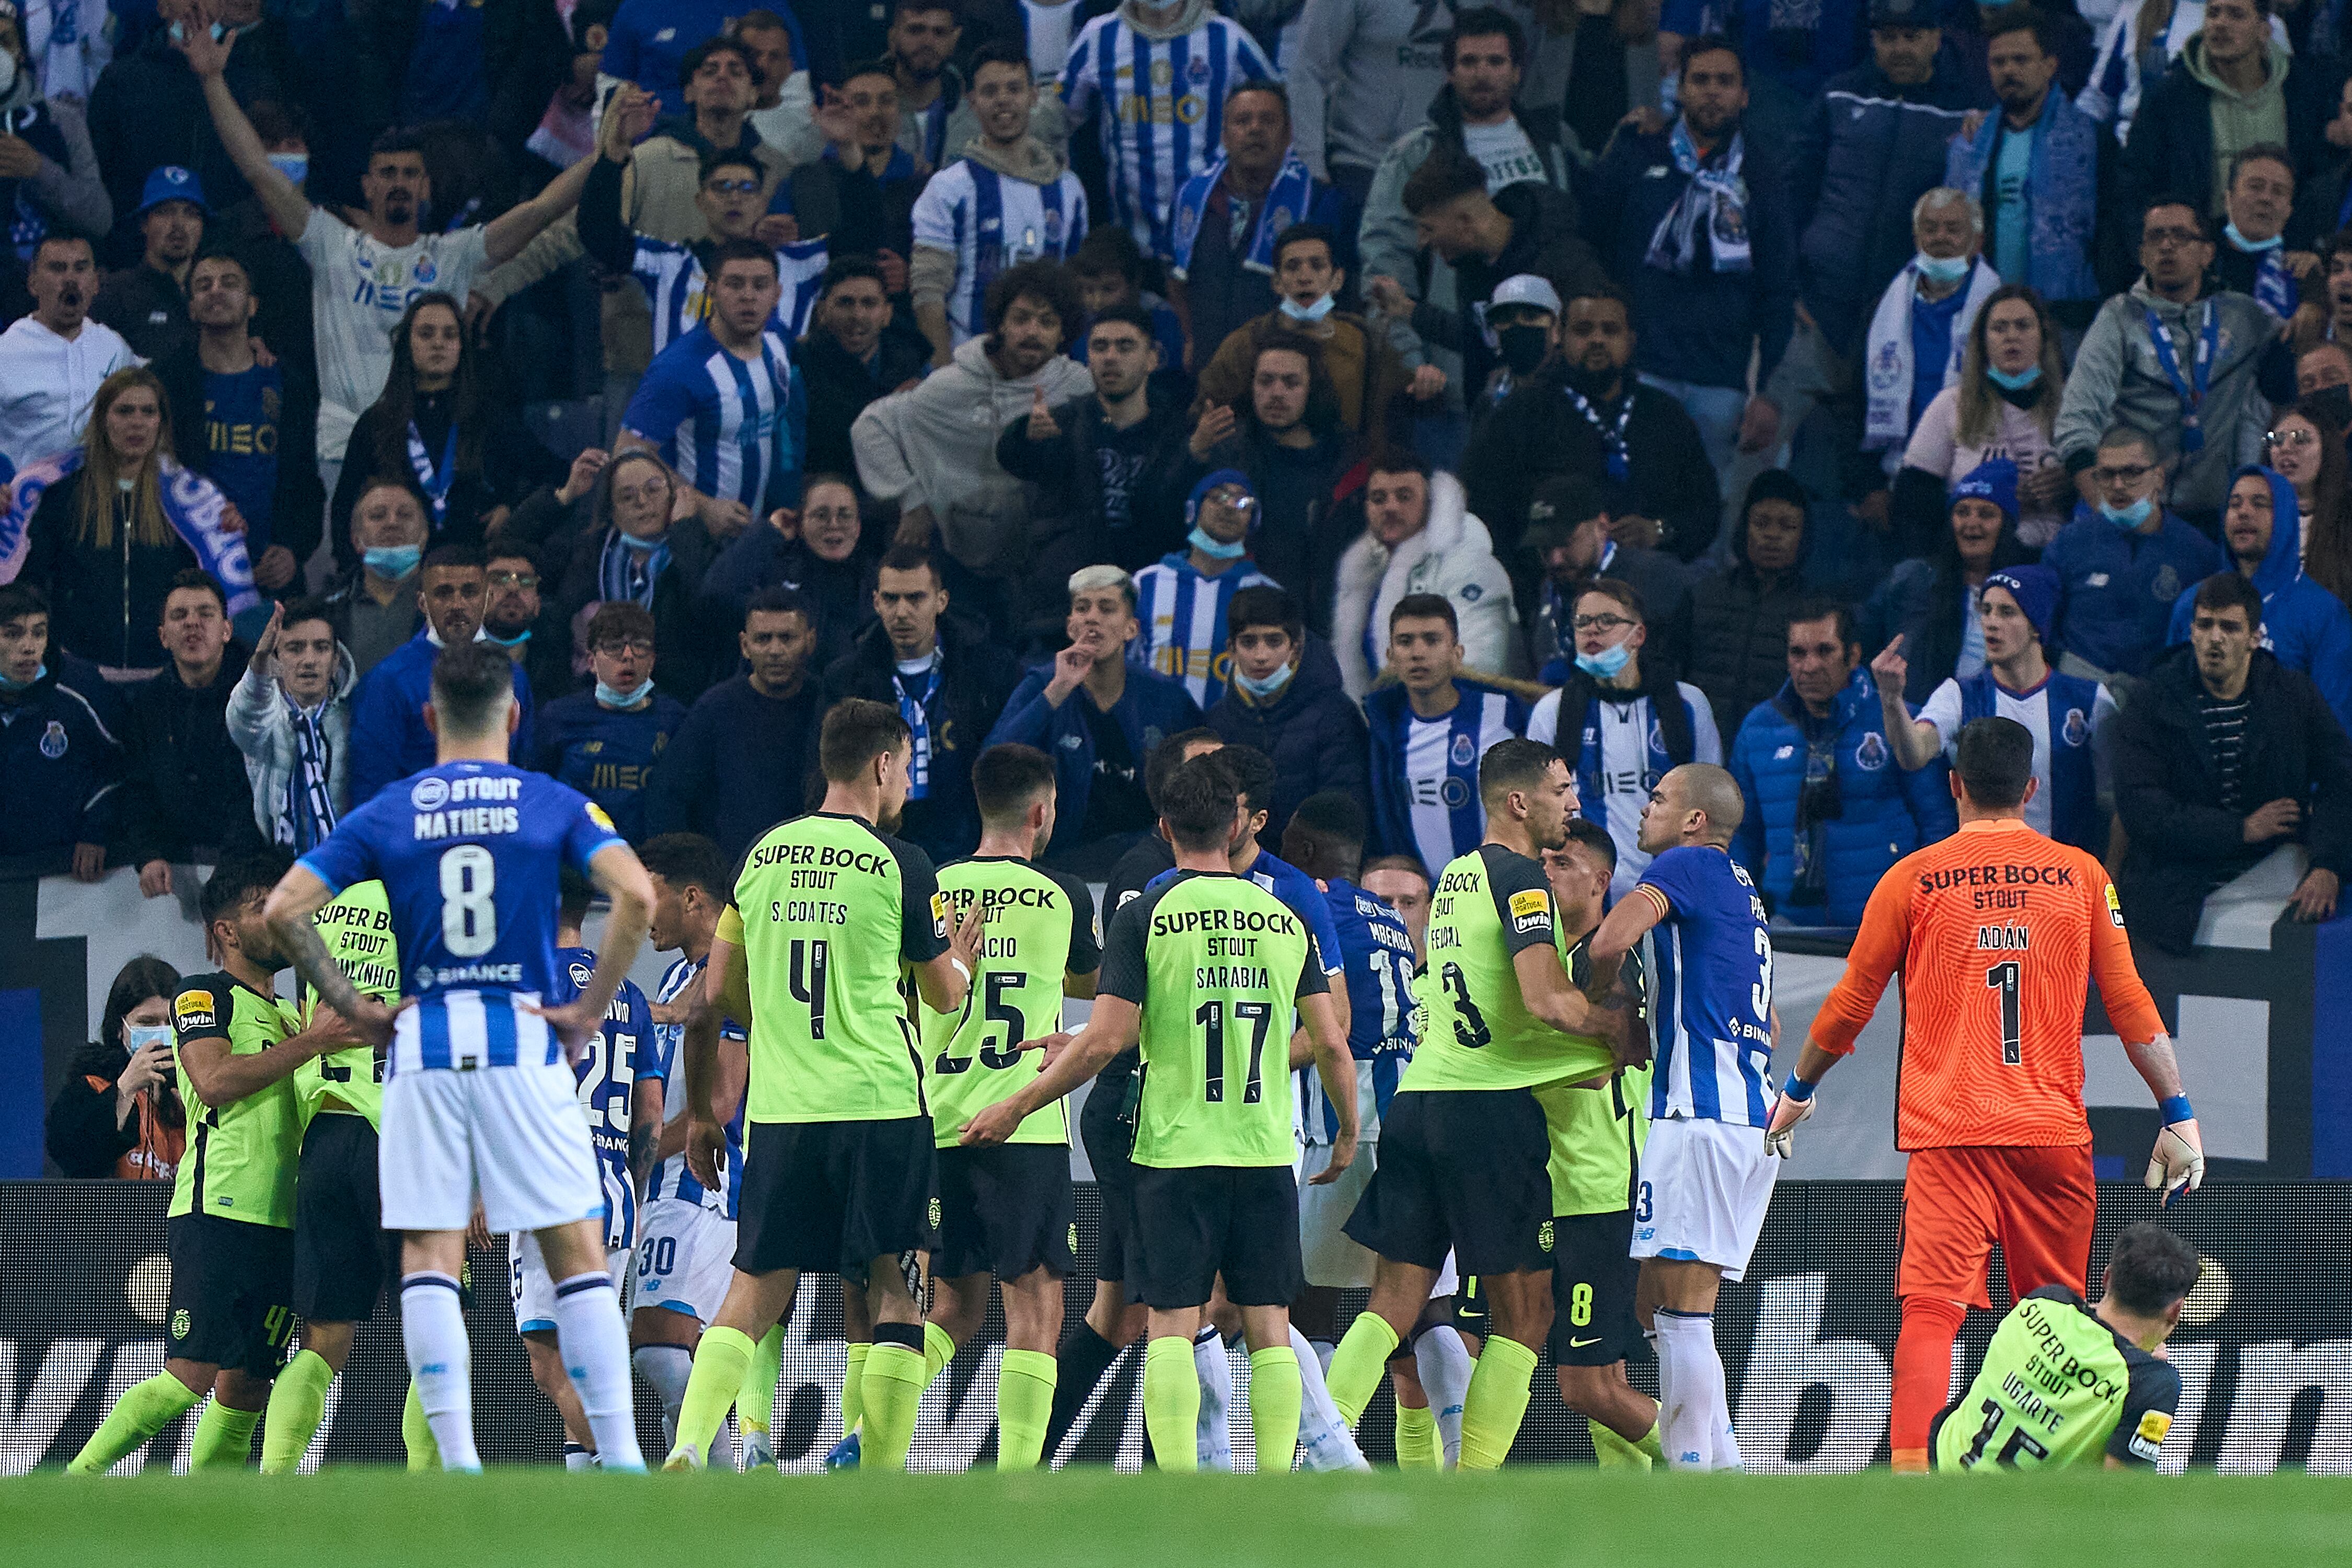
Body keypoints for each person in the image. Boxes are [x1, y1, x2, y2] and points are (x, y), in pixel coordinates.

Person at [261, 640, 658, 1474]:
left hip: (426, 1042)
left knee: (429, 1256)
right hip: (520, 1037)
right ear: (515, 718)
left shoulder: (388, 810)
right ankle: (623, 1460)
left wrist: (357, 1010)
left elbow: (286, 909)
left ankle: (458, 1462)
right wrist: (587, 1010)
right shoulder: (548, 801)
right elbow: (637, 895)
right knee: (574, 1251)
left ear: (429, 717)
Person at [1768, 715, 2201, 1473]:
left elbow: (1851, 1003)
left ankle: (1911, 1484)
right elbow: (2130, 1001)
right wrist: (2179, 1113)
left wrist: (1800, 1088)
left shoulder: (1912, 878)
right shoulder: (2082, 874)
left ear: (1954, 786)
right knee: (2059, 1326)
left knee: (1932, 1315)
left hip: (1951, 1134)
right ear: (2031, 790)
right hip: (2051, 1137)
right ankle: (2057, 1479)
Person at [962, 750, 1355, 1474]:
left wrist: (1019, 1103)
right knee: (1269, 1325)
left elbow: (1111, 1036)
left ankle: (1176, 1483)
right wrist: (1348, 1130)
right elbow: (1332, 1039)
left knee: (1171, 1323)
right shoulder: (1283, 916)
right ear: (1235, 822)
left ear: (1166, 827)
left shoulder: (1148, 913)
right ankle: (1272, 1483)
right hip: (1265, 1147)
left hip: (1173, 1148)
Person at [658, 698, 981, 1472]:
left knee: (754, 1290)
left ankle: (692, 1445)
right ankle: (879, 1476)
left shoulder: (761, 856)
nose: (904, 783)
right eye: (903, 767)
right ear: (881, 765)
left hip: (784, 1110)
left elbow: (719, 990)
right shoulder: (902, 864)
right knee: (899, 1292)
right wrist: (962, 962)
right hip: (880, 1107)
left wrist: (729, 1082)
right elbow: (940, 995)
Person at [1322, 738, 1630, 1468]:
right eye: (1561, 791)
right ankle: (1473, 1485)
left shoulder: (1456, 875)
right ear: (1520, 802)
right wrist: (1618, 1031)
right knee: (1526, 1316)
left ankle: (1318, 1444)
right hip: (1486, 1115)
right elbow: (1546, 999)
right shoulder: (1523, 879)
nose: (1572, 804)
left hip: (1420, 1103)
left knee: (1392, 1305)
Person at [179, 22, 599, 506]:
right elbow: (257, 167)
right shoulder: (330, 243)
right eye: (387, 173)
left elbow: (542, 210)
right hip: (340, 449)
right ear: (367, 186)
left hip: (430, 448)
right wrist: (213, 80)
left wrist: (605, 155)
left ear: (426, 187)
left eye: (410, 174)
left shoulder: (453, 255)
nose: (399, 183)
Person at [66, 850, 347, 1476]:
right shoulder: (202, 994)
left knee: (247, 1387)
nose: (281, 919)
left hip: (283, 1223)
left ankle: (209, 1521)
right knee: (190, 1374)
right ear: (226, 931)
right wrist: (313, 1043)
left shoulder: (293, 1013)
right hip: (217, 1211)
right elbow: (215, 1081)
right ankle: (74, 1485)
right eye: (261, 908)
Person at [889, 743, 1099, 1470]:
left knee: (953, 1308)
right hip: (1024, 1126)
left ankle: (869, 1431)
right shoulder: (1064, 894)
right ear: (1042, 812)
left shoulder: (933, 887)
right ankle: (1019, 1484)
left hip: (940, 1123)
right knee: (1035, 1314)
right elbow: (1096, 983)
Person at [1569, 764, 1767, 1469]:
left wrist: (1602, 1004)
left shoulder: (1687, 865)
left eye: (1656, 800)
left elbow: (1606, 942)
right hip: (1745, 1116)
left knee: (1683, 1316)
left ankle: (1692, 1484)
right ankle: (1727, 1466)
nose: (1642, 810)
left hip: (1700, 1116)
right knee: (1658, 1306)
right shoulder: (1745, 890)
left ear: (1692, 821)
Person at [1357, 8, 1582, 446]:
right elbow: (1385, 259)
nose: (1483, 73)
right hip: (1450, 381)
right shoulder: (1415, 153)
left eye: (1496, 62)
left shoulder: (1557, 146)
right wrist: (1411, 358)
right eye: (1470, 62)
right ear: (1449, 72)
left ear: (1518, 71)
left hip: (1549, 383)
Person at [1585, 36, 1797, 495]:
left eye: (1725, 82)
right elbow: (1594, 249)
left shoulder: (1763, 175)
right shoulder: (1638, 152)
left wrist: (1768, 394)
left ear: (1744, 95)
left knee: (1702, 517)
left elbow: (1778, 289)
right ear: (1679, 89)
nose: (1712, 92)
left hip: (1721, 380)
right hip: (1640, 369)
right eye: (1700, 80)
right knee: (1627, 503)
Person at [251, 875, 410, 1474]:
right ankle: (430, 1494)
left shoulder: (325, 913)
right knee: (434, 1323)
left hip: (323, 1137)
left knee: (324, 1339)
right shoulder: (424, 903)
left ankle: (276, 1479)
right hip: (397, 1137)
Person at [2115, 571, 2352, 950]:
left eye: (2229, 627)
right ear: (2190, 631)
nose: (2215, 638)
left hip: (2274, 876)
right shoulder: (2152, 701)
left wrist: (2329, 865)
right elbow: (2141, 807)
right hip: (2173, 889)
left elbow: (2342, 779)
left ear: (2255, 638)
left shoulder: (2293, 697)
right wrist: (2240, 829)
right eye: (2205, 625)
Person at [510, 871, 660, 1470]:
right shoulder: (623, 990)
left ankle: (625, 1474)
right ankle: (592, 1504)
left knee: (549, 1361)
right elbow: (648, 1114)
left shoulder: (526, 982)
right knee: (589, 1357)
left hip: (550, 1190)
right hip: (615, 1193)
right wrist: (634, 1194)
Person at [1531, 818, 1667, 1468]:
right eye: (1544, 861)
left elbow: (1600, 1065)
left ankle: (1716, 1465)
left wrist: (1497, 1064)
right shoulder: (1544, 963)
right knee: (1599, 1378)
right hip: (1556, 1182)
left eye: (1563, 862)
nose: (1548, 870)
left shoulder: (1616, 961)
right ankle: (1630, 1517)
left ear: (1601, 880)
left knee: (1586, 1384)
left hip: (1601, 1186)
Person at [853, 259, 1093, 626]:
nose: (1033, 331)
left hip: (1039, 565)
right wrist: (911, 498)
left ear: (1064, 333)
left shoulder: (1078, 388)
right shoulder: (951, 385)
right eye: (1022, 318)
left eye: (1047, 322)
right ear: (999, 324)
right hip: (955, 561)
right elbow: (871, 426)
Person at [627, 832, 760, 1467]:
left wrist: (640, 1154)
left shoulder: (727, 973)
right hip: (668, 1187)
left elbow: (727, 1100)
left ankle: (727, 1494)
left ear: (691, 896)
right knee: (676, 1360)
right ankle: (706, 1517)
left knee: (659, 1347)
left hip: (699, 1187)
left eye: (649, 895)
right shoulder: (682, 974)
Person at [2055, 200, 2294, 529]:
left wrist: (2310, 305)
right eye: (2156, 237)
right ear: (2142, 255)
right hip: (2137, 514)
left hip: (2217, 516)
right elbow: (2075, 423)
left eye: (2180, 236)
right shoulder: (2119, 318)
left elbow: (2299, 350)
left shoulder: (2244, 318)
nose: (2167, 246)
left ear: (2206, 254)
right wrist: (2110, 512)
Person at [1728, 599, 1956, 925]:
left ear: (1853, 655)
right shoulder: (1760, 727)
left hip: (1887, 921)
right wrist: (1740, 912)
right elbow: (1741, 833)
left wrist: (1929, 909)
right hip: (1790, 923)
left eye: (1825, 651)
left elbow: (1938, 823)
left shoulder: (1899, 719)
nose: (1809, 666)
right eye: (1798, 653)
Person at [1463, 285, 1721, 566]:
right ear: (1560, 336)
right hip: (1543, 577)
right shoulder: (1521, 412)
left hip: (1646, 579)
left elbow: (1704, 510)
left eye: (1610, 331)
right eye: (1583, 330)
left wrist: (1659, 531)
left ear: (1631, 340)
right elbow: (1483, 503)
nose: (1597, 340)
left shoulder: (1666, 416)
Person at [1788, 0, 1978, 373]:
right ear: (1873, 40)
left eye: (1913, 37)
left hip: (1905, 308)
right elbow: (1793, 190)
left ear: (1937, 39)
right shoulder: (1837, 96)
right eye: (1889, 38)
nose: (1901, 48)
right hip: (1816, 302)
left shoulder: (1965, 111)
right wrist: (1792, 286)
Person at [1880, 562, 2117, 854]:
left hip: (2067, 878)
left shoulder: (2090, 700)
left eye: (2007, 612)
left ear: (2036, 625)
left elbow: (2118, 798)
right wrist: (1892, 701)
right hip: (1985, 878)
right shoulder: (1960, 695)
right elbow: (1914, 754)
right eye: (1986, 610)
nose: (1991, 622)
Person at [574, 96, 826, 369]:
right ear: (701, 202)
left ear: (763, 202)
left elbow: (861, 241)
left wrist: (849, 151)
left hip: (774, 410)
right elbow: (599, 234)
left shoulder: (799, 265)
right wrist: (613, 156)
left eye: (747, 188)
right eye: (722, 187)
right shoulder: (670, 264)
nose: (735, 198)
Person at [984, 565, 1205, 871]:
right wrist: (1058, 690)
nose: (1092, 617)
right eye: (1082, 608)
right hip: (1061, 861)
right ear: (1070, 625)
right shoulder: (1043, 684)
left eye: (1107, 608)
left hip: (1149, 862)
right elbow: (993, 762)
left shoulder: (1165, 697)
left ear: (1131, 628)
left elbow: (1204, 774)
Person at [1931, 1222, 2201, 1471]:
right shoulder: (2153, 1383)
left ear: (2107, 1278)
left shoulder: (2046, 1302)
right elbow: (2120, 1489)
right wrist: (2146, 1370)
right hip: (2012, 1515)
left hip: (1941, 1465)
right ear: (2176, 1310)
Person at [822, 543, 1025, 862]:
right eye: (891, 599)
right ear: (876, 602)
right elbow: (824, 771)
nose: (902, 612)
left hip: (969, 845)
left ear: (941, 601)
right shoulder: (845, 679)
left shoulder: (989, 670)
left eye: (916, 598)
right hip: (876, 851)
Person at [18, 366, 223, 678]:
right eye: (125, 411)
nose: (137, 422)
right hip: (79, 672)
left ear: (161, 423)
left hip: (165, 674)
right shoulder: (62, 498)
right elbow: (33, 585)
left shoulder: (187, 502)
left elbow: (207, 586)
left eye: (148, 412)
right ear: (104, 420)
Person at [1377, 145, 1605, 421]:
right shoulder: (1471, 265)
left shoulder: (1563, 258)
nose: (1422, 243)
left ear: (1465, 223)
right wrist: (1409, 311)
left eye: (1428, 228)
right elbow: (1481, 339)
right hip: (1495, 429)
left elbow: (1591, 348)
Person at [1530, 579, 1725, 898]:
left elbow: (1713, 805)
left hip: (1672, 891)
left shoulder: (1689, 705)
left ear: (1639, 635)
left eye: (1607, 621)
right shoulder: (1551, 712)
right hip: (1586, 897)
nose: (1592, 631)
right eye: (1582, 622)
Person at [330, 292, 548, 568]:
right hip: (395, 575)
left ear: (461, 346)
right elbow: (344, 510)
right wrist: (359, 576)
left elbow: (552, 474)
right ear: (407, 345)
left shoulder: (490, 417)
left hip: (474, 572)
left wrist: (512, 507)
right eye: (426, 334)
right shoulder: (376, 422)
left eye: (449, 335)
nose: (438, 344)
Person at [153, 250, 322, 599]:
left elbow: (305, 481)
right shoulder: (165, 383)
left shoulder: (291, 383)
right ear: (191, 308)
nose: (216, 291)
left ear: (253, 305)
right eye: (203, 285)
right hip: (190, 575)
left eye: (229, 283)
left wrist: (292, 549)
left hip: (272, 576)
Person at [910, 41, 1089, 361]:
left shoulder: (1069, 190)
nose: (1003, 101)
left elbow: (1075, 288)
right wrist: (943, 369)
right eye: (990, 91)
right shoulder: (949, 187)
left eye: (1014, 89)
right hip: (971, 363)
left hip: (1048, 370)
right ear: (973, 102)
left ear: (1034, 96)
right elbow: (929, 291)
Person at [1057, 0, 1275, 257]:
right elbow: (1057, 116)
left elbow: (1278, 113)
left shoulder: (1227, 38)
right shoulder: (1099, 37)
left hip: (1214, 238)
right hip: (1130, 245)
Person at [621, 240, 807, 536]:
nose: (748, 296)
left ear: (777, 294)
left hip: (759, 531)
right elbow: (628, 452)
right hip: (692, 538)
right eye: (735, 284)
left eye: (760, 285)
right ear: (711, 290)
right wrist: (702, 504)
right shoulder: (678, 369)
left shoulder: (778, 339)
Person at [995, 301, 1195, 575]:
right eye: (1100, 347)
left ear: (1153, 359)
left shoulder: (1179, 432)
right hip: (1070, 589)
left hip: (1154, 582)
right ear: (1088, 358)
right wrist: (1027, 437)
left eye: (1125, 347)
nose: (1110, 357)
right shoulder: (1062, 424)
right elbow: (1015, 459)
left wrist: (1196, 455)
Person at [1180, 333, 1363, 631]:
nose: (1277, 393)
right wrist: (1193, 455)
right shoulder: (1226, 450)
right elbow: (1163, 519)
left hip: (1322, 623)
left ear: (1312, 390)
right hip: (1239, 620)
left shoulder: (1347, 459)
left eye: (1291, 383)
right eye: (1265, 381)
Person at [1165, 82, 1348, 372]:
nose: (1255, 129)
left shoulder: (1318, 202)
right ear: (1224, 135)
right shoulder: (1194, 197)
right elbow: (1175, 277)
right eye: (1242, 121)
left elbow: (1337, 292)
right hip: (1208, 363)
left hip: (1286, 369)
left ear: (1288, 135)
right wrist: (1189, 336)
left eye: (1268, 121)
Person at [2114, 0, 2335, 238]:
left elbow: (2320, 179)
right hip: (2198, 255)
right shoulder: (2168, 99)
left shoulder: (2302, 95)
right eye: (2213, 14)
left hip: (2283, 254)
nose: (2221, 24)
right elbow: (2137, 185)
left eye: (2236, 15)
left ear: (2264, 31)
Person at [1189, 223, 1429, 442]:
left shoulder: (1364, 338)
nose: (1305, 278)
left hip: (1343, 473)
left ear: (1338, 280)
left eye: (1317, 266)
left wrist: (1426, 386)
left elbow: (1398, 400)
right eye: (1292, 268)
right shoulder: (1246, 342)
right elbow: (1206, 415)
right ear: (1277, 283)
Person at [645, 586, 826, 865]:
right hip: (732, 877)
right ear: (744, 645)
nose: (775, 650)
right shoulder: (714, 709)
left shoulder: (828, 707)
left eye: (787, 638)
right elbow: (670, 795)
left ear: (811, 641)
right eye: (763, 639)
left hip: (813, 871)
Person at [2163, 465, 2352, 732]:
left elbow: (2335, 726)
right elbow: (2168, 701)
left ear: (2286, 517)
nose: (2244, 512)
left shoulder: (2323, 613)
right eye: (2234, 504)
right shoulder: (2192, 603)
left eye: (2260, 504)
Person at [345, 545, 535, 808]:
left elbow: (525, 772)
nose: (457, 604)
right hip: (418, 837)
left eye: (469, 592)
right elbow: (372, 791)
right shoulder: (387, 682)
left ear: (488, 599)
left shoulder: (513, 676)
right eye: (444, 593)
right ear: (423, 602)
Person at [1364, 593, 1534, 878]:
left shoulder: (1506, 712)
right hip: (1423, 903)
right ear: (1391, 657)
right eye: (1405, 642)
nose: (1418, 653)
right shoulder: (1383, 726)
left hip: (1498, 892)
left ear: (1457, 653)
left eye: (1432, 640)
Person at [1944, 15, 2099, 322]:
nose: (2009, 70)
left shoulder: (2091, 139)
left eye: (2021, 59)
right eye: (1998, 62)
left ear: (2050, 65)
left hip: (2064, 314)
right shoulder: (1971, 145)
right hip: (1983, 310)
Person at [1896, 283, 2073, 551]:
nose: (2011, 336)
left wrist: (2071, 484)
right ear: (1983, 341)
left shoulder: (2073, 404)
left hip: (2059, 552)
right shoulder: (1951, 404)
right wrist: (1989, 500)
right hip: (1977, 558)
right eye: (1999, 328)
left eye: (2023, 326)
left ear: (2044, 336)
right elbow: (1912, 499)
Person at [2045, 426, 2227, 687]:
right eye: (2107, 475)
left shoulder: (2198, 552)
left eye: (2132, 472)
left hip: (2160, 695)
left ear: (2159, 477)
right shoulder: (2068, 544)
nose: (2118, 485)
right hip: (2078, 691)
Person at [537, 449, 724, 702]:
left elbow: (707, 612)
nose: (642, 502)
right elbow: (511, 550)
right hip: (590, 698)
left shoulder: (698, 548)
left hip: (672, 702)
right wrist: (564, 495)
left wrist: (685, 530)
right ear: (612, 511)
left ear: (674, 497)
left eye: (654, 490)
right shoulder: (587, 552)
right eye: (627, 496)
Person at [1333, 455, 1517, 699]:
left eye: (1404, 496)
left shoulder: (1469, 565)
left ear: (1431, 503)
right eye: (1379, 499)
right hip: (1386, 724)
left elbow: (1480, 666)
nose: (1390, 507)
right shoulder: (1365, 576)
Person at [1857, 190, 2004, 491]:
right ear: (1916, 238)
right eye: (1930, 228)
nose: (1940, 237)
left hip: (1979, 478)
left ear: (1977, 242)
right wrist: (1868, 488)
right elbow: (1853, 400)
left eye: (1953, 229)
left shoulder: (2003, 310)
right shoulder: (1884, 309)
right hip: (1899, 477)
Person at [122, 570, 257, 896]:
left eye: (206, 614)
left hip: (247, 869)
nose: (192, 623)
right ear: (163, 636)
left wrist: (231, 872)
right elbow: (135, 790)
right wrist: (149, 854)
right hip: (172, 873)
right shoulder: (144, 705)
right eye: (179, 616)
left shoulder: (262, 700)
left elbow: (260, 796)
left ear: (227, 630)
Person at [1859, 458, 2036, 706]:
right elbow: (1860, 644)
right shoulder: (1913, 579)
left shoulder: (2030, 591)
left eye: (1986, 514)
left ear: (2006, 525)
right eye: (1962, 512)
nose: (1971, 523)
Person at [1205, 584, 1369, 847]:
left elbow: (1344, 812)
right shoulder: (1217, 721)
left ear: (1296, 648)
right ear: (1231, 649)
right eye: (1249, 642)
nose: (1261, 655)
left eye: (1274, 641)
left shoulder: (1336, 715)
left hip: (1312, 871)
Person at [529, 602, 688, 845]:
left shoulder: (676, 721)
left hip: (651, 859)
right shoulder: (558, 718)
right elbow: (537, 791)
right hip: (577, 858)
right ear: (591, 661)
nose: (628, 656)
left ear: (653, 661)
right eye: (614, 647)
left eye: (640, 647)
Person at [697, 471, 880, 674]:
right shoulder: (775, 571)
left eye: (845, 515)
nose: (834, 524)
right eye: (821, 515)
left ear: (858, 526)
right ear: (800, 524)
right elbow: (717, 593)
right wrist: (769, 532)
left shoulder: (877, 581)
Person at [1672, 470, 1811, 738]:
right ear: (1743, 528)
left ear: (1804, 537)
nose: (1772, 535)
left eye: (1787, 526)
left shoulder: (1817, 610)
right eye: (1761, 523)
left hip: (1778, 749)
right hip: (1700, 744)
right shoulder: (1702, 596)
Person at [1522, 474, 1691, 688]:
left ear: (1602, 527)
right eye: (1544, 547)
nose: (1555, 559)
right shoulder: (1550, 588)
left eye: (1566, 542)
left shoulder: (1655, 580)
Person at [0, 582, 124, 872]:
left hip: (63, 871)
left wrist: (96, 829)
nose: (29, 647)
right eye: (12, 634)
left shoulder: (82, 691)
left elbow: (127, 765)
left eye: (39, 633)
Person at [1132, 469, 1275, 707]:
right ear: (1193, 509)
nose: (1230, 507)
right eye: (1218, 497)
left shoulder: (1268, 595)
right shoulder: (1145, 583)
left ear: (1254, 520)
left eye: (1243, 502)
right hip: (1155, 735)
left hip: (1231, 739)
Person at [227, 597, 356, 854]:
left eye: (321, 648)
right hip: (277, 863)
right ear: (276, 660)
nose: (309, 660)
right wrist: (260, 663)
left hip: (345, 864)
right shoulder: (265, 713)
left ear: (336, 660)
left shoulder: (357, 715)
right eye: (295, 649)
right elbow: (245, 720)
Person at [0, 234, 138, 472]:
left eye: (81, 269)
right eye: (58, 269)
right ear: (33, 283)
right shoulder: (6, 351)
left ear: (95, 283)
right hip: (27, 503)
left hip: (102, 497)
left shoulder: (115, 348)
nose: (71, 280)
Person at [45, 954, 187, 1181]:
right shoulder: (91, 1088)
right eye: (147, 1023)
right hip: (112, 1214)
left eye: (171, 1022)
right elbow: (73, 1157)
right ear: (119, 1029)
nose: (162, 1033)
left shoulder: (197, 1090)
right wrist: (126, 1088)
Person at [799, 257, 930, 482]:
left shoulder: (917, 370)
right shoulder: (798, 367)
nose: (857, 316)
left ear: (887, 314)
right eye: (845, 303)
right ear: (822, 312)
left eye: (869, 304)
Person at [91, 165, 208, 363]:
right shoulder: (114, 293)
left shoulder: (215, 291)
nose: (179, 224)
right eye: (165, 212)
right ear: (144, 224)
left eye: (190, 213)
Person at [322, 478, 430, 682]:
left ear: (425, 536)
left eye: (405, 515)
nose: (392, 523)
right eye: (378, 516)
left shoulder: (449, 602)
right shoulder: (326, 610)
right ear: (356, 540)